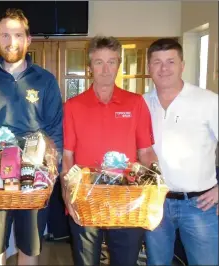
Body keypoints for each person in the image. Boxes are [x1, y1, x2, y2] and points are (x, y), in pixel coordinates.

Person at [0, 8, 63, 266]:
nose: (11, 41)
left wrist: (51, 174)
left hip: (34, 178)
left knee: (29, 248)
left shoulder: (45, 81)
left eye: (17, 35)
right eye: (5, 35)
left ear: (28, 39)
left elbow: (55, 130)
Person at [61, 36, 158, 266]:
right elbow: (67, 157)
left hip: (126, 199)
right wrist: (68, 197)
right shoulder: (73, 106)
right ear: (89, 67)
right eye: (99, 62)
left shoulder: (135, 104)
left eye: (111, 62)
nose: (105, 69)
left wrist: (151, 192)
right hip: (85, 199)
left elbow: (146, 153)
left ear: (119, 65)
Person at [143, 38, 218, 266]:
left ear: (182, 65)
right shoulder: (142, 104)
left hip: (199, 205)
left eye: (171, 61)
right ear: (149, 68)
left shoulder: (208, 101)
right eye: (157, 62)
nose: (164, 69)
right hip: (155, 203)